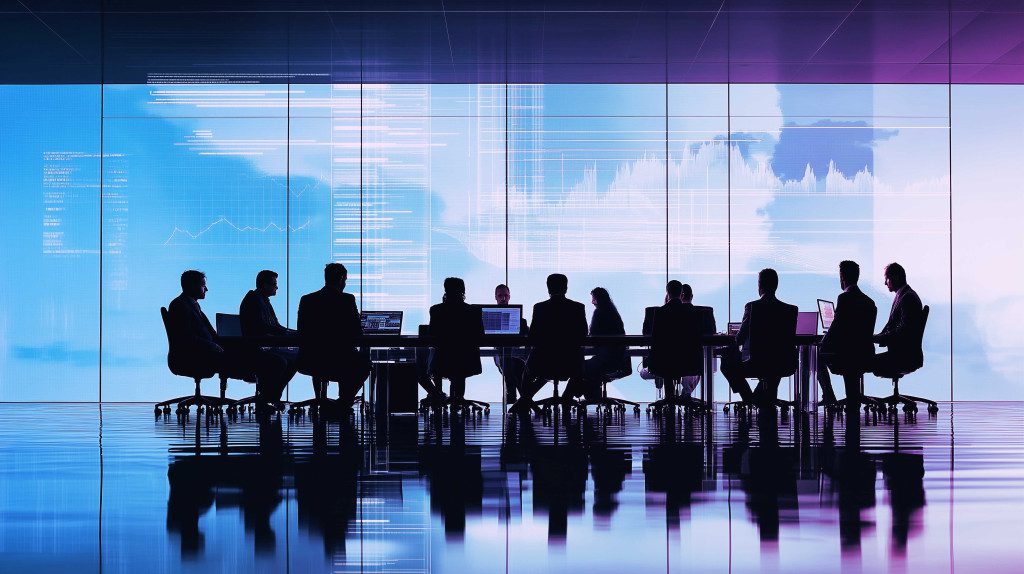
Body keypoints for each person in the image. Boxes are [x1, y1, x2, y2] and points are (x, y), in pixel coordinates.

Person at [167, 270, 285, 403]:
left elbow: (214, 337)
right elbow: (186, 338)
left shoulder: (190, 305)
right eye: (203, 285)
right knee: (273, 361)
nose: (206, 289)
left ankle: (266, 399)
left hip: (207, 353)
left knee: (270, 359)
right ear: (192, 285)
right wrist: (214, 346)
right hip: (198, 356)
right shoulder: (180, 306)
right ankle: (266, 400)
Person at [719, 268, 799, 406]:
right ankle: (759, 397)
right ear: (776, 285)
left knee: (726, 363)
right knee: (773, 364)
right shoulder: (790, 310)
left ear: (760, 285)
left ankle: (749, 399)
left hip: (757, 364)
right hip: (785, 364)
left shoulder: (752, 307)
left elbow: (740, 339)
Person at [296, 263, 371, 406]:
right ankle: (343, 402)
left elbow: (302, 330)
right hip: (339, 360)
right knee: (364, 364)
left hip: (309, 359)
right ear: (342, 279)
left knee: (347, 359)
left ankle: (337, 402)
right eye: (346, 280)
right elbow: (356, 331)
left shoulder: (307, 299)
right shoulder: (347, 300)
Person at [515, 273, 588, 409]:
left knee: (527, 370)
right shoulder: (578, 307)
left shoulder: (540, 308)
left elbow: (533, 337)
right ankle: (567, 398)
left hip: (543, 364)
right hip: (570, 364)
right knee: (578, 363)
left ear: (548, 289)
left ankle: (524, 401)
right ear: (566, 288)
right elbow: (584, 334)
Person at [817, 260, 877, 406]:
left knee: (815, 356)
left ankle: (829, 396)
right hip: (866, 355)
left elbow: (836, 329)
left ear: (842, 277)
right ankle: (852, 397)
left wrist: (821, 344)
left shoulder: (844, 298)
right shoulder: (870, 302)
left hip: (847, 356)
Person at [239, 270, 299, 403]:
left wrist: (291, 332)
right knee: (285, 360)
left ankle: (271, 395)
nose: (276, 287)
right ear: (265, 285)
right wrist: (290, 333)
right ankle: (270, 396)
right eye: (274, 284)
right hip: (255, 349)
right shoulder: (254, 300)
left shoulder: (263, 300)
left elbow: (275, 326)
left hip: (264, 346)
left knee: (295, 358)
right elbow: (265, 327)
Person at [564, 287, 630, 401]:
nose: (592, 302)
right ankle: (575, 394)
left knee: (578, 367)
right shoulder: (614, 313)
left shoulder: (599, 312)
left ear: (597, 299)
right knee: (582, 367)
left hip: (605, 360)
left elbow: (593, 335)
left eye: (593, 299)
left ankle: (568, 397)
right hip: (617, 360)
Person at [428, 277, 485, 405]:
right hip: (466, 360)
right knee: (459, 369)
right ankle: (458, 399)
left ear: (445, 290)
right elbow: (480, 336)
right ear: (463, 291)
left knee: (445, 364)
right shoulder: (473, 311)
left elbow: (432, 335)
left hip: (443, 359)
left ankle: (439, 397)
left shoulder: (436, 310)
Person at [872, 262, 924, 374]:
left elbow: (903, 330)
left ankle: (854, 392)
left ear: (896, 277)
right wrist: (876, 337)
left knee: (861, 362)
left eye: (886, 278)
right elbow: (894, 326)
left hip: (904, 357)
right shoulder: (903, 295)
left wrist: (877, 338)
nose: (885, 283)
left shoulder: (908, 297)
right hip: (904, 354)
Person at [493, 283, 530, 404]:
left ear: (509, 297)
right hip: (504, 356)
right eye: (500, 295)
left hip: (518, 357)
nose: (503, 298)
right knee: (509, 360)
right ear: (496, 297)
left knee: (512, 363)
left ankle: (515, 396)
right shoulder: (490, 318)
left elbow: (529, 338)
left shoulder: (521, 321)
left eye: (505, 295)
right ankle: (524, 398)